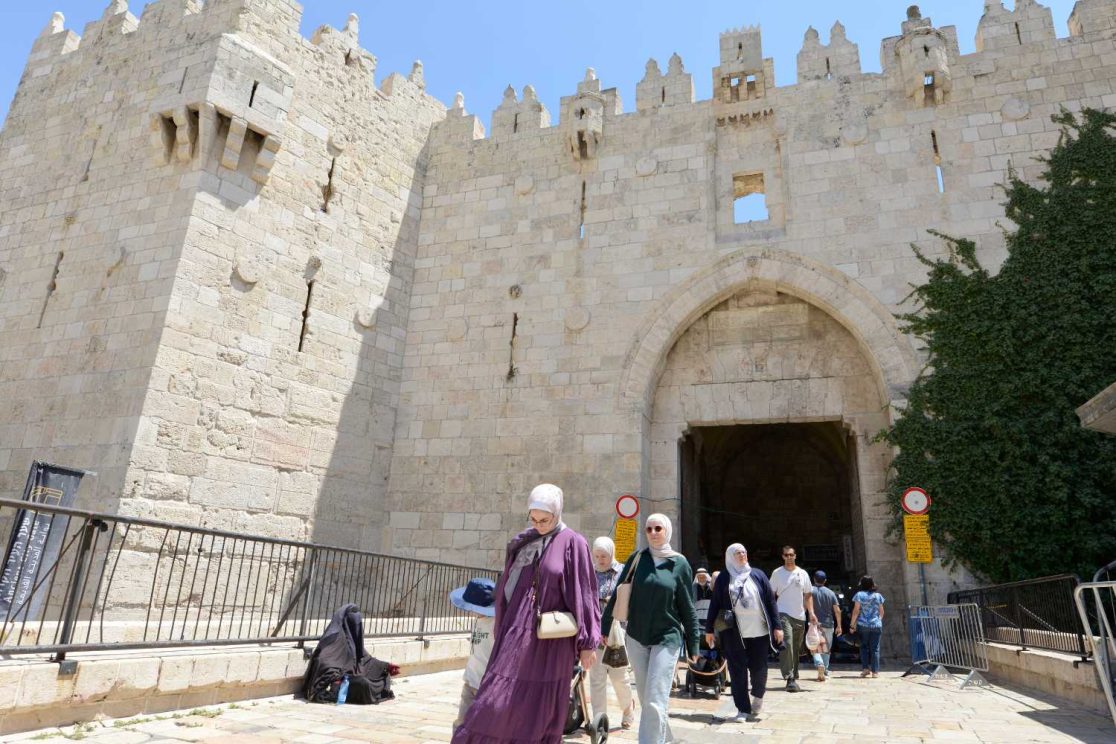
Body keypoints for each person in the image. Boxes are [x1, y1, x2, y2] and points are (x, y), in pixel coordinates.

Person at [452, 484, 601, 744]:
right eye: (534, 519)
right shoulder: (525, 541)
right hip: (515, 632)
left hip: (550, 642)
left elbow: (584, 593)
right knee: (495, 699)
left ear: (558, 513)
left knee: (539, 708)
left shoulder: (573, 543)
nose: (540, 525)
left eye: (546, 520)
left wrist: (588, 644)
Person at [602, 514, 699, 744]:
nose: (653, 533)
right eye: (649, 529)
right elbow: (618, 593)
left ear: (667, 530)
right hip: (636, 635)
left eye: (658, 528)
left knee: (656, 696)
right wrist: (605, 626)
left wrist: (694, 641)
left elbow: (687, 605)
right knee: (647, 698)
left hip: (667, 637)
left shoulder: (679, 564)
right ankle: (666, 739)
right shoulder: (637, 558)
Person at [704, 544, 782, 722]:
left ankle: (758, 695)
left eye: (744, 552)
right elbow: (715, 603)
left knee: (759, 668)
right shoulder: (724, 577)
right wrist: (709, 629)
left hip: (759, 631)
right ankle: (743, 709)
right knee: (737, 670)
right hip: (733, 632)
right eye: (737, 553)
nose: (742, 555)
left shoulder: (758, 574)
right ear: (730, 556)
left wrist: (777, 626)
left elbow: (770, 601)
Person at [590, 536, 636, 730]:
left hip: (616, 629)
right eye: (597, 556)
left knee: (619, 677)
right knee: (596, 678)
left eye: (604, 556)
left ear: (612, 553)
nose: (601, 560)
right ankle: (599, 719)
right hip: (594, 630)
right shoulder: (590, 572)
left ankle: (628, 708)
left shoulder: (622, 572)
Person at [449, 578, 496, 733]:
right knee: (460, 724)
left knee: (483, 728)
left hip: (486, 685)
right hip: (470, 680)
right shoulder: (478, 620)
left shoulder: (496, 623)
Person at [769, 545, 817, 692]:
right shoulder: (777, 573)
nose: (789, 557)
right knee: (787, 643)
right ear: (782, 557)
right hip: (783, 613)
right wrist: (772, 615)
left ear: (795, 556)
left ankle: (794, 676)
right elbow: (771, 594)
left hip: (800, 616)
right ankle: (789, 677)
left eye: (791, 555)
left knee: (796, 648)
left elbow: (808, 594)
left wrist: (812, 613)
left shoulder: (802, 574)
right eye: (786, 555)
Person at [850, 575, 885, 678]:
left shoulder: (859, 595)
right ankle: (875, 672)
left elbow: (856, 611)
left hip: (863, 624)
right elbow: (881, 611)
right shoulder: (878, 596)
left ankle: (865, 669)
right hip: (876, 625)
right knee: (875, 649)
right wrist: (878, 621)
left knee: (863, 647)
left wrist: (852, 625)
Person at [809, 570, 841, 680]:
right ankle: (826, 670)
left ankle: (819, 664)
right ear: (825, 581)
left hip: (814, 624)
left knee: (815, 646)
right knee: (826, 648)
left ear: (814, 579)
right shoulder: (831, 593)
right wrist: (839, 625)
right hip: (828, 624)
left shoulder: (810, 591)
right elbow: (837, 610)